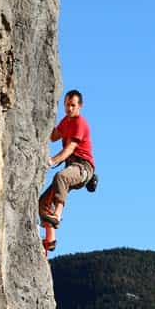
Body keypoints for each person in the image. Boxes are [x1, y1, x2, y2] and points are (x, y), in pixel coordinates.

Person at [39, 89, 95, 250]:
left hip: (83, 167)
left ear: (80, 106)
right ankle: (50, 241)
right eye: (66, 105)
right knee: (43, 201)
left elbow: (70, 149)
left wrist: (51, 161)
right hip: (71, 166)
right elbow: (53, 136)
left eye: (72, 105)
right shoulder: (66, 121)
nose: (69, 108)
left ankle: (57, 214)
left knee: (60, 177)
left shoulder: (80, 123)